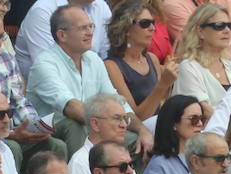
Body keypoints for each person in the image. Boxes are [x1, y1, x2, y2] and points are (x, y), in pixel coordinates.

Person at [28, 5, 146, 157]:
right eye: (82, 28)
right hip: (50, 136)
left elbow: (117, 102)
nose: (90, 33)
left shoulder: (93, 59)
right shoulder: (44, 64)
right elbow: (71, 107)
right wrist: (110, 123)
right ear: (62, 35)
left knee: (137, 141)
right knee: (74, 125)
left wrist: (142, 130)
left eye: (91, 26)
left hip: (94, 127)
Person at [0, 5, 66, 166]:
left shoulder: (6, 58)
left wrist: (33, 127)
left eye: (1, 36)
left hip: (12, 130)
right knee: (11, 147)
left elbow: (19, 100)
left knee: (55, 146)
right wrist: (10, 134)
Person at [66, 93, 153, 174]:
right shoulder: (80, 162)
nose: (124, 125)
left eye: (125, 119)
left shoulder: (124, 158)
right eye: (117, 119)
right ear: (95, 124)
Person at [104, 1, 176, 121]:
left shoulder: (152, 59)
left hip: (156, 124)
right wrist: (163, 83)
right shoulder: (111, 66)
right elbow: (135, 117)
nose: (152, 28)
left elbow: (160, 102)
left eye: (153, 23)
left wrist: (169, 81)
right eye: (145, 23)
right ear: (126, 28)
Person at [172, 4, 231, 109]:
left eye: (229, 25)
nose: (227, 30)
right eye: (219, 25)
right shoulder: (189, 67)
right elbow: (204, 112)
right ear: (200, 32)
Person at [141, 94, 203, 174]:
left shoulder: (203, 158)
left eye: (202, 119)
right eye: (193, 119)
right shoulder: (158, 167)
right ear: (174, 123)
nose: (200, 124)